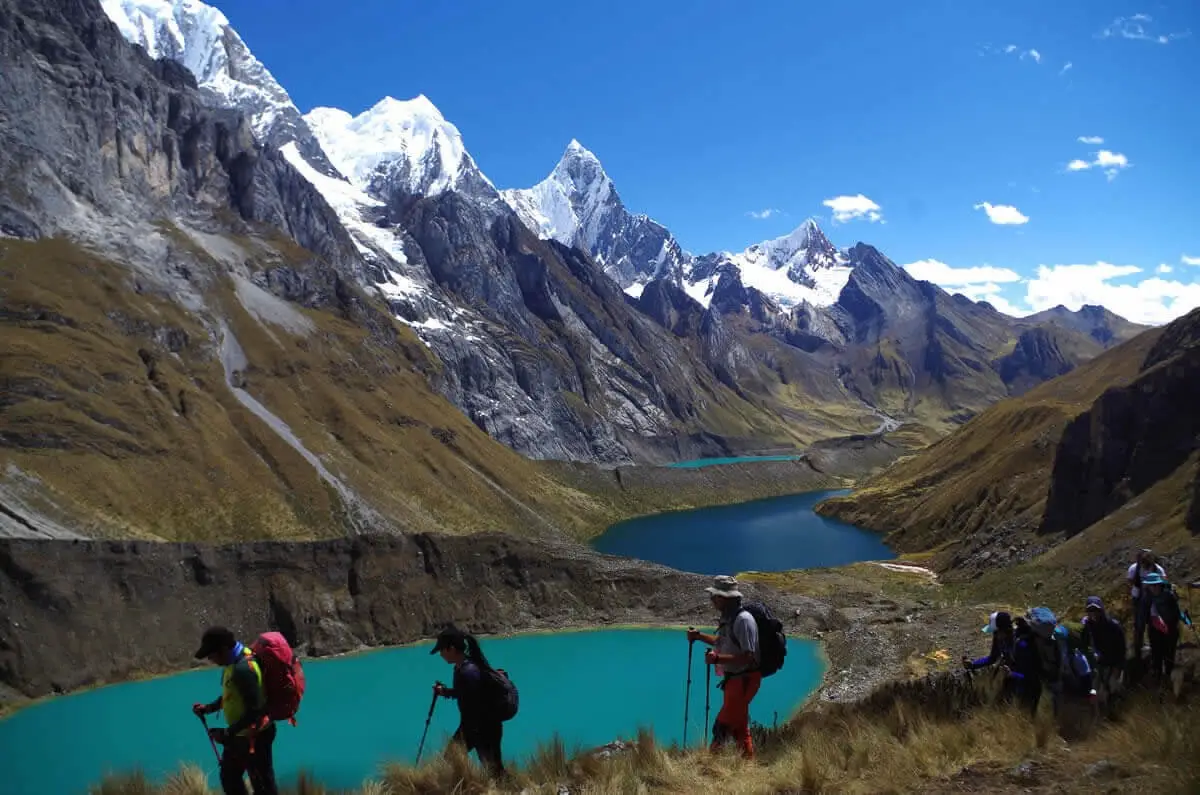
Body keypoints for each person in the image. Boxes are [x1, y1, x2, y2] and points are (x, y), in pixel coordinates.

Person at [191, 627, 277, 795]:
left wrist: (226, 734)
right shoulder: (234, 662)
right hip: (240, 737)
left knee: (262, 786)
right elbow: (232, 695)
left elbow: (255, 711)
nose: (210, 659)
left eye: (211, 655)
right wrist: (209, 708)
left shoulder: (244, 669)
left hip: (255, 738)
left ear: (223, 649)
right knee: (230, 777)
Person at [687, 575, 762, 759]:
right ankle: (747, 764)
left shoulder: (743, 620)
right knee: (739, 727)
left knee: (722, 726)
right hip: (734, 680)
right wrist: (699, 636)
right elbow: (721, 642)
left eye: (715, 596)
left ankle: (710, 765)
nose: (712, 600)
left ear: (726, 598)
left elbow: (748, 657)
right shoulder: (729, 618)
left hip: (744, 680)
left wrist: (717, 658)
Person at [431, 626, 506, 778]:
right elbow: (465, 693)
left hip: (481, 728)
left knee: (492, 770)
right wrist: (445, 691)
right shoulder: (463, 667)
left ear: (451, 649)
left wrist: (471, 731)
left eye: (441, 650)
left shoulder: (468, 671)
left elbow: (473, 700)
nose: (440, 654)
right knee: (492, 769)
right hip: (477, 726)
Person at [963, 611, 1041, 716]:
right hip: (1013, 680)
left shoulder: (1022, 645)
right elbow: (992, 658)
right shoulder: (1000, 639)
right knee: (999, 709)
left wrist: (1011, 674)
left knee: (1024, 717)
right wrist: (973, 664)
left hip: (1029, 686)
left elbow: (1029, 675)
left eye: (995, 632)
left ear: (1004, 630)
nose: (994, 635)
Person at [1080, 596, 1126, 696]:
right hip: (1100, 663)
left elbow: (1122, 649)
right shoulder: (1087, 626)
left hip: (1115, 662)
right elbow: (1084, 644)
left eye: (1095, 610)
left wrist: (1118, 667)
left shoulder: (1113, 626)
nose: (1093, 613)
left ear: (1101, 610)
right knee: (1097, 693)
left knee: (1114, 687)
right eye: (1090, 610)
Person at [1142, 572, 1182, 681]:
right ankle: (1157, 675)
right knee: (1156, 653)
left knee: (1169, 653)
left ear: (1160, 584)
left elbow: (1177, 612)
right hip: (1154, 630)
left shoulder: (1169, 595)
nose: (1154, 588)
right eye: (1151, 585)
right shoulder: (1146, 598)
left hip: (1170, 628)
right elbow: (1144, 614)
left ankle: (1169, 676)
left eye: (1156, 585)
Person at [1128, 549, 1166, 657]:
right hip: (1139, 599)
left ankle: (1155, 647)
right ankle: (1138, 650)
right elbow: (1130, 580)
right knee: (1139, 625)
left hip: (1154, 599)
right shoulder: (1135, 568)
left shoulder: (1158, 569)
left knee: (1153, 623)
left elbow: (1164, 581)